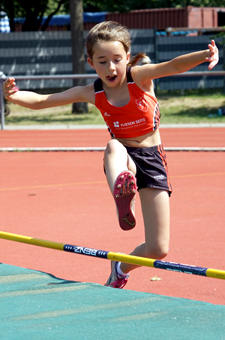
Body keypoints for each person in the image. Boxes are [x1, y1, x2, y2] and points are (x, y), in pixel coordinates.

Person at [3, 21, 219, 289]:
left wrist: (206, 54)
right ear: (91, 62)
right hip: (122, 157)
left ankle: (120, 267)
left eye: (117, 60)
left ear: (128, 58)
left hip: (152, 160)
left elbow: (173, 66)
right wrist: (14, 96)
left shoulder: (139, 77)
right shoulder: (92, 92)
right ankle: (122, 192)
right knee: (114, 145)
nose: (110, 68)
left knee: (158, 248)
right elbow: (44, 101)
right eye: (102, 61)